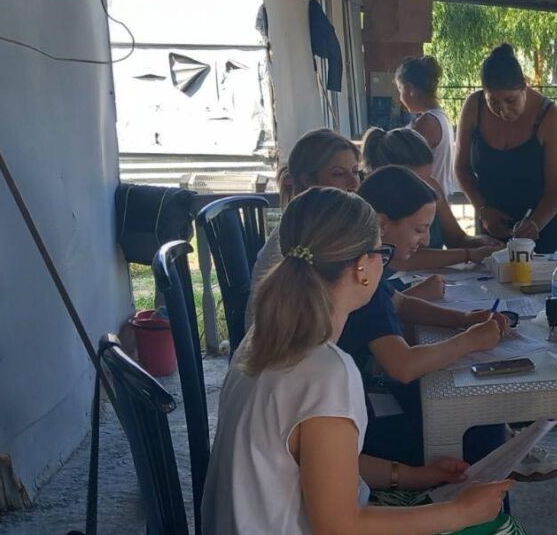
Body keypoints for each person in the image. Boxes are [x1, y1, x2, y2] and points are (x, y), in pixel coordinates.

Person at [203, 186, 512, 534]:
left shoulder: (265, 337)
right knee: (498, 527)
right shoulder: (326, 371)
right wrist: (461, 513)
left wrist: (413, 476)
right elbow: (338, 526)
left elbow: (326, 461)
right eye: (382, 252)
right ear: (362, 267)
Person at [354, 166, 557, 482]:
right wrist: (469, 341)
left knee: (474, 411)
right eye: (419, 229)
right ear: (383, 224)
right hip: (361, 428)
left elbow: (400, 304)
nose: (427, 240)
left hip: (363, 399)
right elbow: (403, 366)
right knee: (482, 425)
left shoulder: (364, 262)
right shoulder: (361, 275)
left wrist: (465, 320)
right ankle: (476, 506)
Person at [456, 44, 557, 253]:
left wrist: (534, 224)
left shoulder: (550, 117)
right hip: (490, 219)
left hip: (541, 220)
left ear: (525, 87)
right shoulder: (474, 106)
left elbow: (556, 189)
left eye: (511, 100)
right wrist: (483, 210)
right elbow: (462, 168)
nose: (504, 111)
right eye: (493, 102)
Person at [250, 129, 362, 321]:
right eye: (338, 174)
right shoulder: (304, 234)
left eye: (355, 172)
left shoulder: (323, 224)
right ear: (308, 180)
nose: (354, 183)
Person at [361, 126, 501, 276]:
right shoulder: (368, 207)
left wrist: (481, 243)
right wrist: (468, 254)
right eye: (416, 182)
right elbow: (398, 259)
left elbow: (456, 238)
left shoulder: (432, 187)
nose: (425, 188)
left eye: (427, 178)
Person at [397, 55, 458, 196]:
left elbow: (405, 163)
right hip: (436, 197)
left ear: (410, 89)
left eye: (400, 90)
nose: (400, 97)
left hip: (428, 199)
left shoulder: (427, 122)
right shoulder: (441, 117)